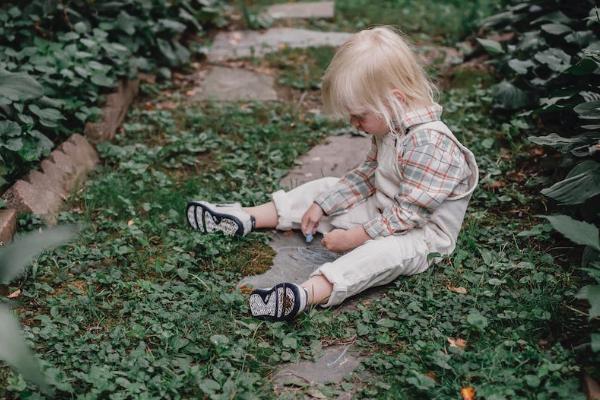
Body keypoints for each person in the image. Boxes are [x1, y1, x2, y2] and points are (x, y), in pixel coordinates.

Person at [186, 26, 478, 321]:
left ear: (395, 100)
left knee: (383, 253)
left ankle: (306, 293)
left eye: (359, 116)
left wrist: (355, 237)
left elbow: (409, 216)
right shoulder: (391, 125)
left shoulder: (431, 144)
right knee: (327, 187)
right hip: (383, 210)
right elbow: (368, 174)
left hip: (421, 236)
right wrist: (324, 204)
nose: (354, 123)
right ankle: (246, 216)